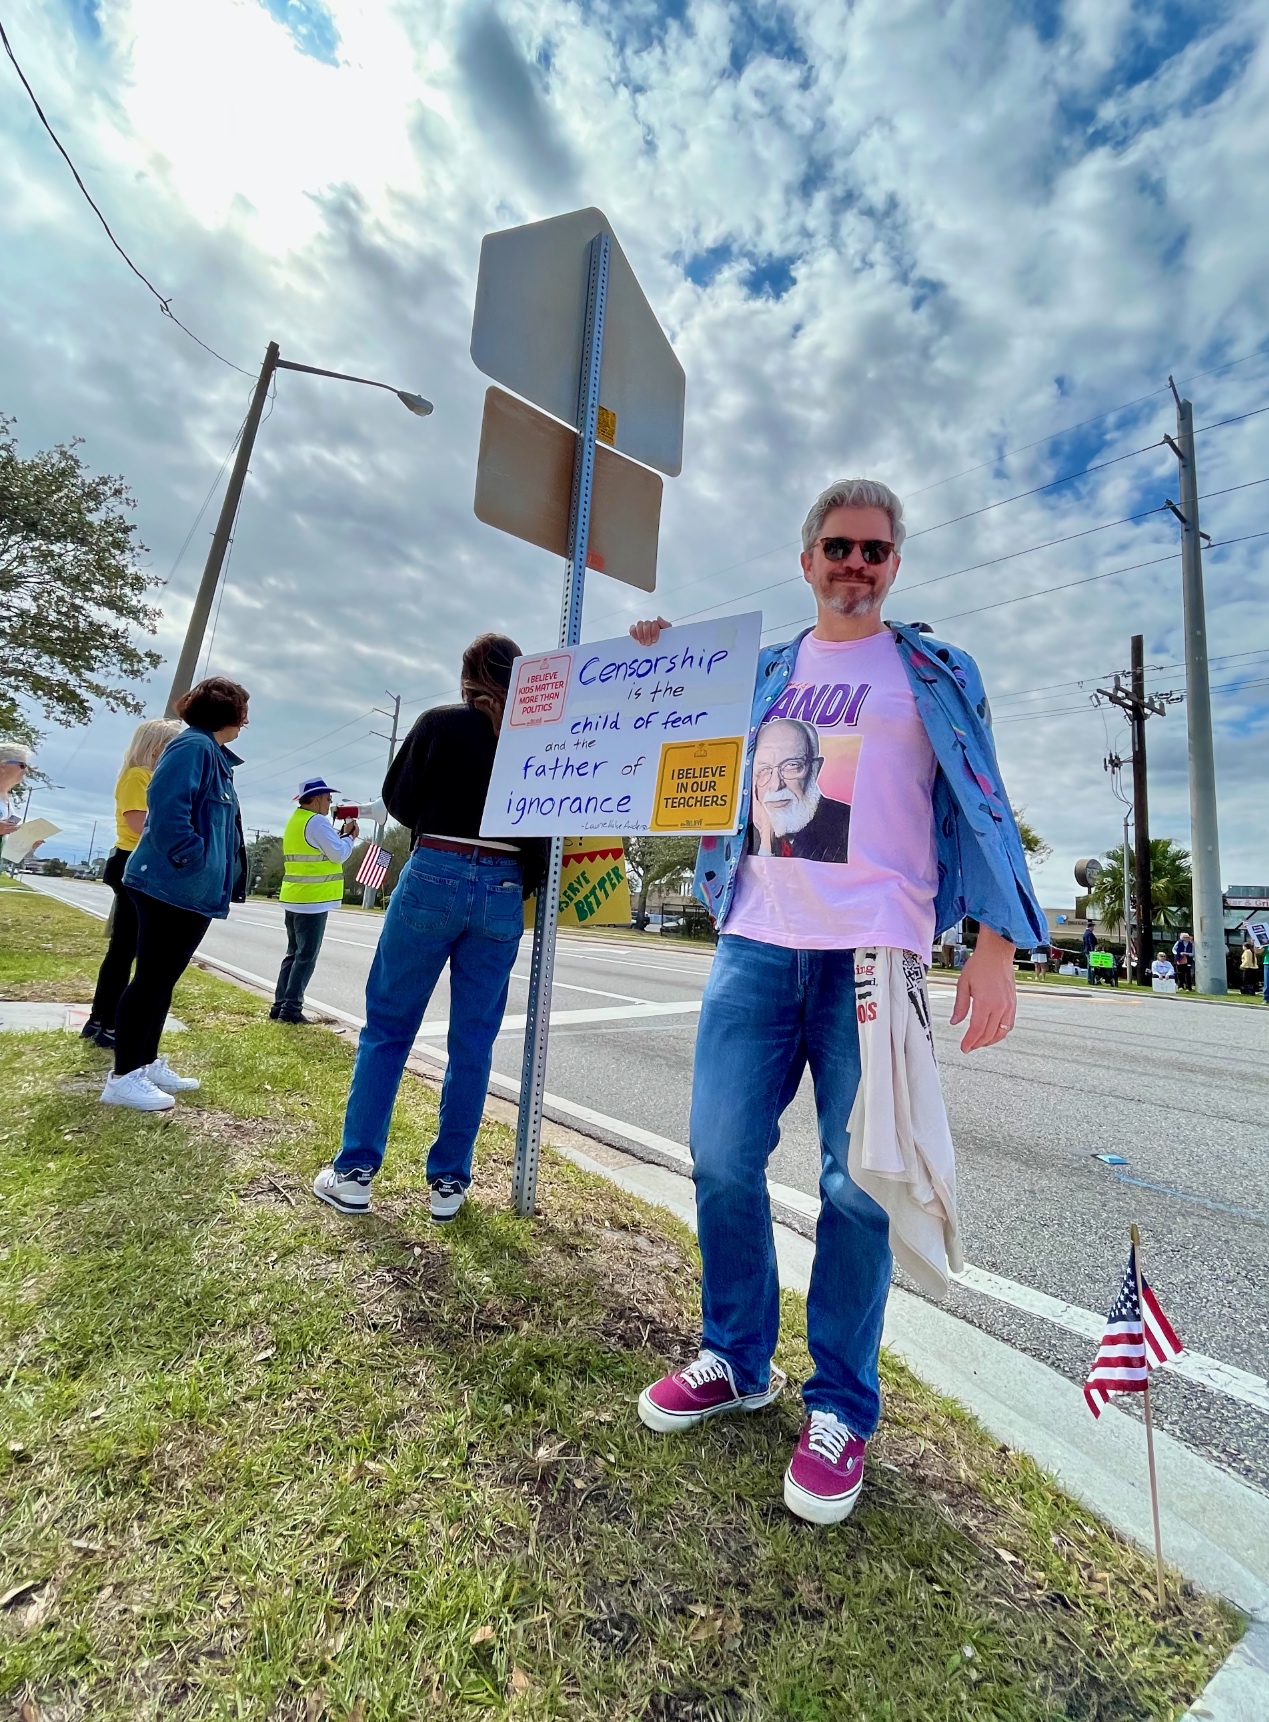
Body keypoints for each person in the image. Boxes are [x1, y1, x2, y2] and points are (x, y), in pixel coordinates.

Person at [627, 477, 1044, 1527]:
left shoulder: (935, 672)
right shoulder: (764, 671)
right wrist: (649, 662)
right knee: (721, 1157)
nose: (856, 564)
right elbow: (666, 727)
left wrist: (996, 943)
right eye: (838, 547)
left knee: (858, 1186)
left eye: (876, 549)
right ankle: (736, 1356)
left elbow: (984, 800)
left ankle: (843, 1409)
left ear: (894, 564)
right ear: (806, 559)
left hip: (879, 959)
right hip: (757, 945)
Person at [312, 635, 548, 1222]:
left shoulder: (439, 723)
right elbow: (551, 822)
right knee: (473, 1041)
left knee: (388, 1029)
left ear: (466, 675)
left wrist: (438, 830)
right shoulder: (537, 736)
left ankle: (356, 1173)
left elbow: (398, 796)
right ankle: (449, 1184)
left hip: (435, 867)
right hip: (503, 880)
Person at [100, 677, 249, 1112]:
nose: (246, 719)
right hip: (171, 884)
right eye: (243, 709)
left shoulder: (212, 754)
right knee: (150, 980)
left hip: (190, 889)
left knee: (161, 980)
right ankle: (123, 1076)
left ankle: (143, 1064)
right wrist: (193, 859)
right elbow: (167, 809)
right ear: (229, 712)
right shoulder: (193, 748)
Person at [81, 719, 181, 1050]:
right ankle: (108, 1023)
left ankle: (101, 1019)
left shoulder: (147, 777)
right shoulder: (138, 776)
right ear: (156, 747)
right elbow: (139, 823)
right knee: (127, 949)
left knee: (125, 949)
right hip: (133, 860)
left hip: (136, 862)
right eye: (171, 744)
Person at [270, 777, 359, 1024]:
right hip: (313, 901)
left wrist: (340, 837)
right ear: (318, 798)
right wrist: (350, 838)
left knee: (292, 954)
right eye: (328, 798)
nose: (330, 803)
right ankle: (291, 1010)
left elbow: (322, 849)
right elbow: (338, 854)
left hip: (294, 897)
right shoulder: (317, 822)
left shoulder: (296, 821)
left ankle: (280, 1005)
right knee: (306, 956)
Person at [0, 742, 33, 861]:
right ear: (3, 765)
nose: (26, 771)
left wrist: (26, 845)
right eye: (22, 766)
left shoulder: (6, 801)